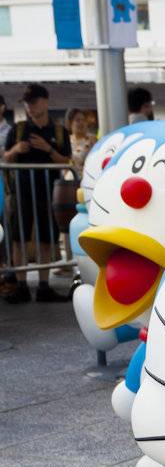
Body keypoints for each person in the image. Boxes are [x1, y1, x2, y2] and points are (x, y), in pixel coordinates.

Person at [1, 83, 73, 304]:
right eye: (27, 103)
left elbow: (66, 161)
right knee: (18, 237)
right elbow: (5, 158)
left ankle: (44, 285)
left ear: (45, 101)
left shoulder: (59, 131)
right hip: (21, 192)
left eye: (33, 102)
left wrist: (48, 149)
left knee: (46, 237)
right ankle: (21, 285)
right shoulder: (18, 129)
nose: (30, 107)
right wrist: (15, 150)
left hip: (48, 193)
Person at [64, 108, 93, 174]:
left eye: (83, 120)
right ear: (70, 123)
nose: (81, 123)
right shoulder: (67, 140)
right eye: (77, 120)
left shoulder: (92, 139)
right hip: (69, 178)